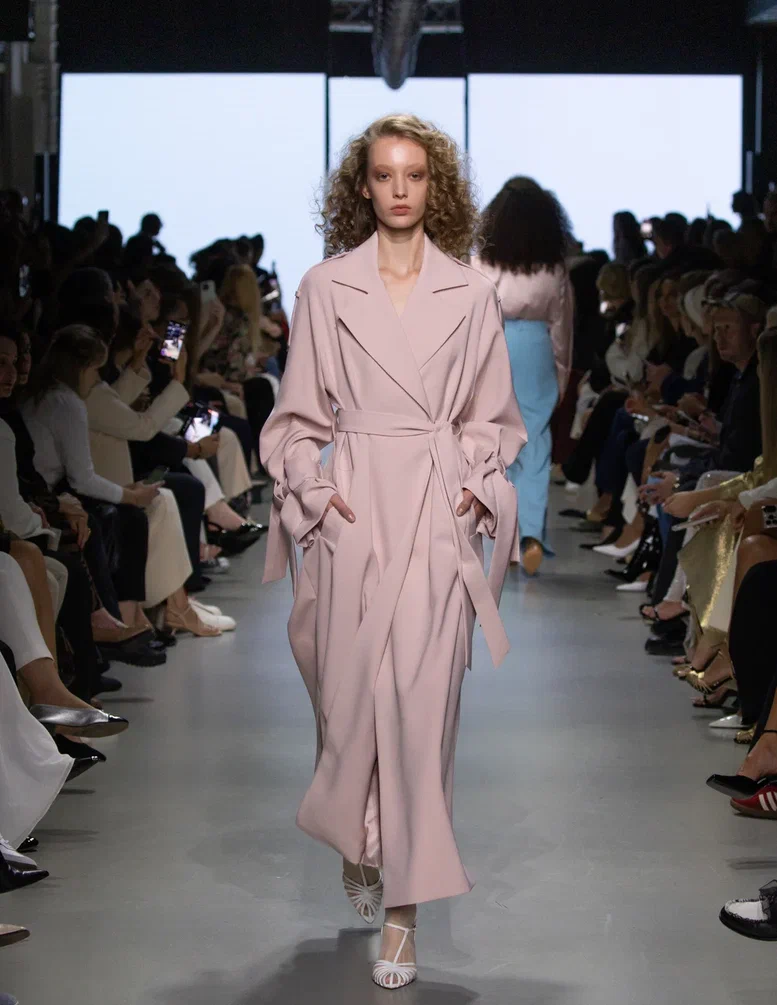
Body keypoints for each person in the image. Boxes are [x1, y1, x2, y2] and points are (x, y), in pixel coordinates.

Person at [260, 113, 525, 990]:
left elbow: (492, 414)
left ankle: (403, 914)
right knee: (345, 701)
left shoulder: (471, 292)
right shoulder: (325, 286)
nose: (400, 189)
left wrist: (473, 481)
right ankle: (357, 828)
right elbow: (296, 414)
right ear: (362, 187)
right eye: (384, 174)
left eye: (414, 174)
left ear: (434, 186)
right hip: (354, 506)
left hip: (434, 514)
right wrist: (313, 488)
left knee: (420, 712)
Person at [472, 177, 573, 575]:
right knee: (536, 444)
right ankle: (530, 532)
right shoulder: (554, 267)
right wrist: (561, 378)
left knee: (497, 442)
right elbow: (561, 329)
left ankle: (504, 533)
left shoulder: (482, 260)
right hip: (537, 349)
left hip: (495, 347)